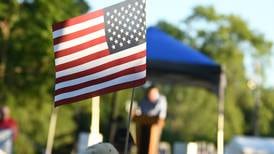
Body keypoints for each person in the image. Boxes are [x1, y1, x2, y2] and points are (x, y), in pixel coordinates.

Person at [137, 85, 167, 154]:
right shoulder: (144, 100)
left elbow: (162, 116)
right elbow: (140, 112)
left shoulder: (162, 100)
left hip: (155, 129)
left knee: (153, 146)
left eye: (153, 93)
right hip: (143, 128)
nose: (151, 95)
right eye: (150, 93)